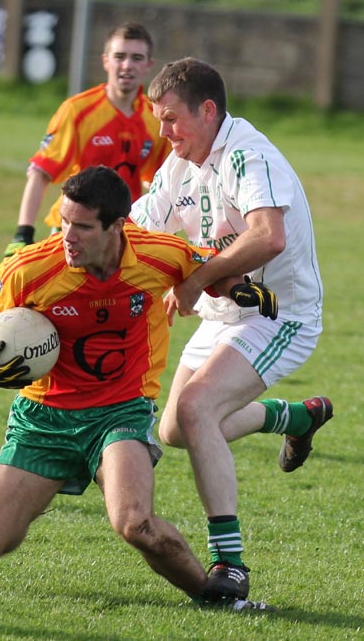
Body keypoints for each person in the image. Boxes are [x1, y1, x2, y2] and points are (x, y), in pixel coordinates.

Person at [0, 166, 277, 606]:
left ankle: (219, 596)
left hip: (119, 410)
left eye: (82, 227)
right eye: (64, 222)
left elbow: (204, 266)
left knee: (134, 523)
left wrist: (239, 289)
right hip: (43, 418)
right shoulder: (33, 268)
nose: (68, 235)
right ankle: (40, 486)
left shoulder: (155, 254)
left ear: (117, 226)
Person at [130, 57, 333, 601]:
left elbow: (269, 237)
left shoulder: (247, 154)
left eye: (171, 119)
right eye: (158, 120)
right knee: (176, 429)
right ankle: (296, 417)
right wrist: (72, 241)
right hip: (226, 314)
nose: (163, 132)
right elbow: (138, 225)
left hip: (276, 315)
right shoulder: (180, 165)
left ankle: (230, 564)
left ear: (209, 110)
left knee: (198, 410)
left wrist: (196, 278)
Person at [4, 21, 170, 257]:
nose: (127, 65)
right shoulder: (78, 111)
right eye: (119, 56)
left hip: (124, 233)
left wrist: (161, 234)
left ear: (148, 65)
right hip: (73, 230)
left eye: (136, 58)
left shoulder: (155, 118)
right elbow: (41, 172)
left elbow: (163, 184)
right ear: (105, 61)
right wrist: (23, 232)